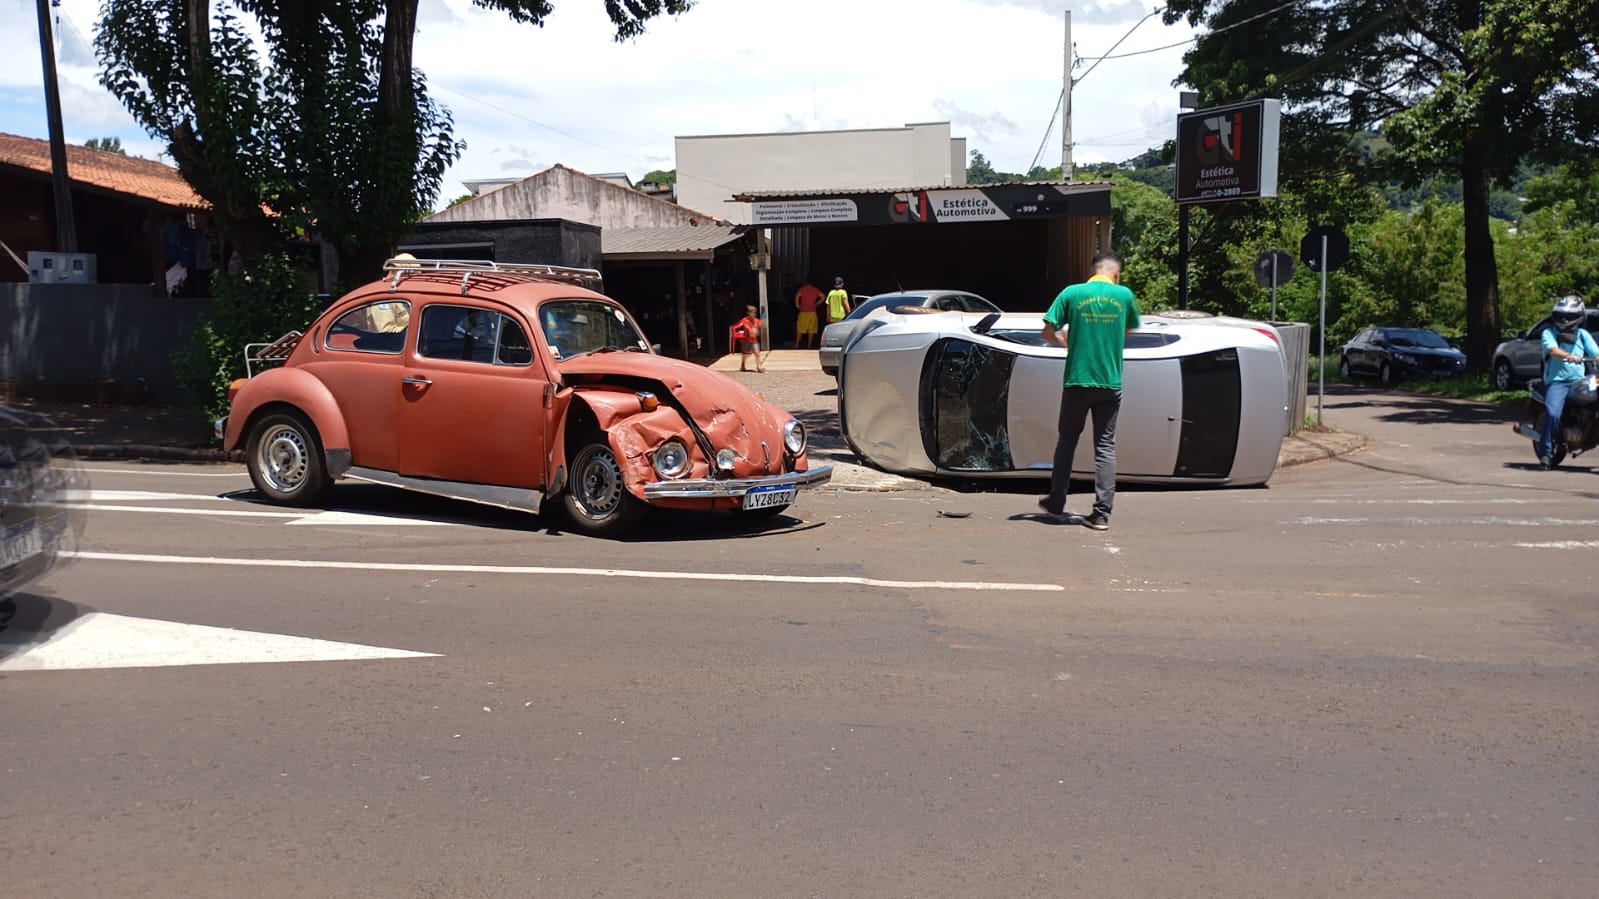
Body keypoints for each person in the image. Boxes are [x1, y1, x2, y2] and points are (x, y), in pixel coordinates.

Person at [1036, 250, 1142, 530]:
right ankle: (1101, 513)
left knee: (1067, 441)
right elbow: (1130, 331)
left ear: (1093, 270)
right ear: (1116, 273)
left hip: (1077, 381)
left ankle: (1056, 503)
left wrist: (1064, 341)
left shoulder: (1071, 293)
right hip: (1110, 382)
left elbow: (1047, 331)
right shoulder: (1124, 297)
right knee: (1105, 447)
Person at [1536, 294, 1598, 469]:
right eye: (1561, 315)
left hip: (1580, 381)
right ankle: (1546, 453)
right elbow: (1553, 350)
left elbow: (1595, 353)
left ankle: (1585, 429)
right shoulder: (1549, 333)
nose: (1565, 319)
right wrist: (1569, 356)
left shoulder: (1582, 334)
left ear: (1579, 317)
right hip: (1557, 382)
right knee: (1553, 413)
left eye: (1569, 317)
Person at [733, 303, 765, 373]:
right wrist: (752, 330)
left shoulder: (756, 321)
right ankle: (743, 364)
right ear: (748, 313)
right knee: (745, 354)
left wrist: (757, 329)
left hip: (754, 340)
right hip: (746, 340)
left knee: (757, 354)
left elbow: (759, 325)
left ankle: (758, 366)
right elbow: (747, 328)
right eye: (751, 312)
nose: (753, 314)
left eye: (754, 312)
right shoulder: (745, 320)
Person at [794, 277, 825, 348]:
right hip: (812, 312)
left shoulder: (802, 289)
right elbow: (823, 296)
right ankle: (809, 345)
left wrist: (797, 305)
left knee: (800, 329)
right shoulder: (816, 290)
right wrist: (817, 303)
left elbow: (797, 296)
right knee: (811, 330)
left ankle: (796, 344)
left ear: (806, 282)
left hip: (803, 311)